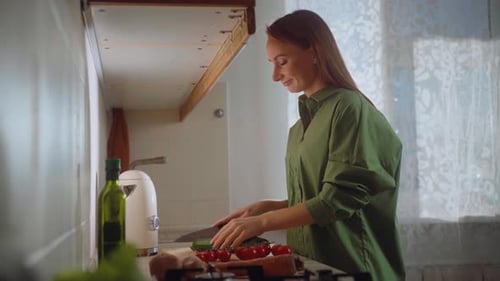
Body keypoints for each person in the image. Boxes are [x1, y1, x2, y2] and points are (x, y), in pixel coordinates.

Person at [210, 9, 405, 281]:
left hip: (355, 269)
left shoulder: (349, 108)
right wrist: (268, 206)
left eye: (282, 61)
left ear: (314, 52)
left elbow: (337, 202)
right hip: (313, 268)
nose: (275, 76)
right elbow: (318, 198)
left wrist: (260, 222)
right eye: (271, 63)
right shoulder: (299, 128)